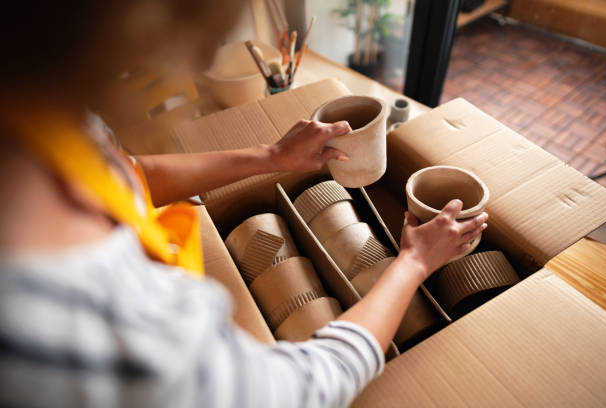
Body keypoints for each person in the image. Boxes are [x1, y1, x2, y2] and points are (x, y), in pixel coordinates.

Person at [0, 1, 488, 407]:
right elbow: (306, 386)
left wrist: (272, 156)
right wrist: (414, 262)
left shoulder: (37, 109)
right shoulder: (90, 332)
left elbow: (125, 173)